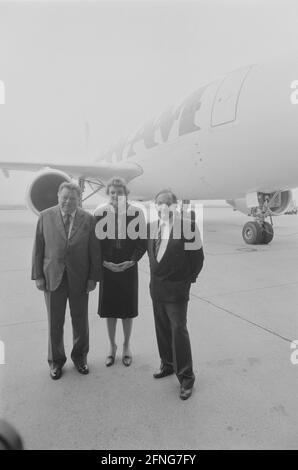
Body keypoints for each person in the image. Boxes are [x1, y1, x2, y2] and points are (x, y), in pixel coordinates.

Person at [31, 182, 101, 380]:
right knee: (55, 322)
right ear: (58, 197)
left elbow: (94, 252)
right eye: (65, 198)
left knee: (80, 322)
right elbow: (38, 248)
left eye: (73, 198)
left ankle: (80, 358)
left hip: (79, 279)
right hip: (53, 277)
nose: (68, 202)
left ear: (79, 200)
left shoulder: (88, 219)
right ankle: (56, 361)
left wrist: (93, 278)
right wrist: (38, 276)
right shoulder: (45, 216)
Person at [147, 189, 204, 400]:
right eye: (159, 203)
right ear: (155, 206)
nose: (163, 207)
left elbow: (198, 259)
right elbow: (148, 253)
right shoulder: (150, 227)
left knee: (178, 332)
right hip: (157, 289)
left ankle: (187, 378)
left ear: (175, 205)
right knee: (161, 330)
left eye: (168, 203)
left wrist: (186, 281)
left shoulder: (188, 226)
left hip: (177, 291)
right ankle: (167, 364)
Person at [94, 177, 146, 367]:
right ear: (109, 194)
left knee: (127, 310)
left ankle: (126, 346)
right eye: (113, 192)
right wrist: (104, 263)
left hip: (128, 267)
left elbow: (142, 243)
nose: (116, 196)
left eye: (120, 192)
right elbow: (95, 244)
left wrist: (131, 261)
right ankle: (111, 346)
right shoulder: (100, 213)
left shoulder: (137, 213)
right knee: (110, 310)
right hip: (107, 267)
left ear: (126, 194)